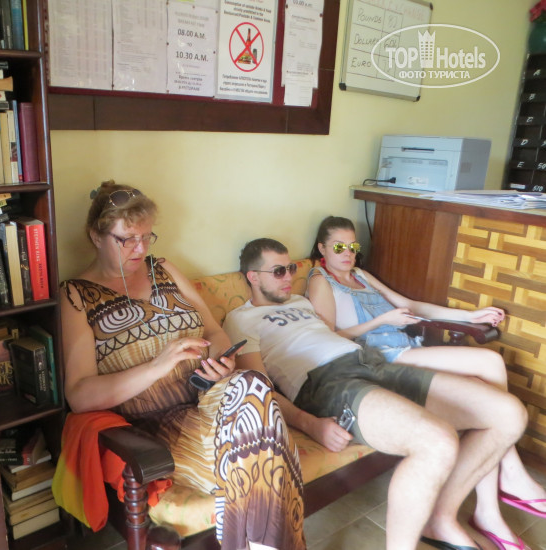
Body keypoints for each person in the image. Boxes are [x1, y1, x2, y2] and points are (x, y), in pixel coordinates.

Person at [223, 237, 529, 550]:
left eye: (290, 268)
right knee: (438, 441)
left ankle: (441, 517)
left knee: (509, 414)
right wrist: (309, 423)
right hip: (327, 382)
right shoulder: (240, 319)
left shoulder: (300, 303)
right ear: (253, 277)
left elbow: (341, 330)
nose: (288, 276)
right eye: (278, 271)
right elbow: (259, 389)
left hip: (371, 361)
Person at [60, 182, 305, 550]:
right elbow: (79, 395)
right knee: (265, 455)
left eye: (147, 237)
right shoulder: (76, 295)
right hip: (154, 428)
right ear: (96, 236)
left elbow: (213, 331)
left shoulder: (163, 269)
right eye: (127, 239)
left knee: (253, 383)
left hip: (206, 401)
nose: (140, 248)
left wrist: (222, 360)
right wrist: (158, 365)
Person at [306, 216, 546, 548]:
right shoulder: (321, 281)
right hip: (379, 357)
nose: (348, 252)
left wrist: (468, 315)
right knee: (489, 363)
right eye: (339, 247)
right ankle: (506, 482)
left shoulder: (361, 274)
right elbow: (326, 336)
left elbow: (410, 306)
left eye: (353, 245)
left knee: (486, 382)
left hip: (406, 347)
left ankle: (490, 505)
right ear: (322, 248)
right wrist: (382, 320)